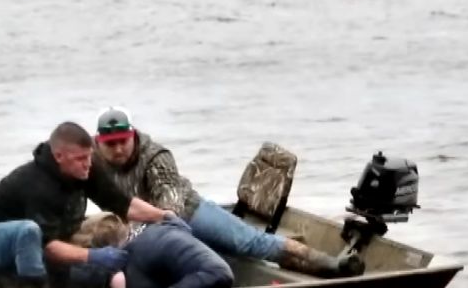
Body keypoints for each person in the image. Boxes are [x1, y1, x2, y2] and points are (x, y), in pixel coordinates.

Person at [91, 106, 364, 278]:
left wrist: (138, 235)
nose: (117, 149)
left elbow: (170, 208)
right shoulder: (89, 161)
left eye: (122, 142)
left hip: (188, 213)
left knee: (250, 243)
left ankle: (330, 264)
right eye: (110, 144)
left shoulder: (156, 157)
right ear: (98, 142)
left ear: (133, 135)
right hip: (144, 230)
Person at [0, 121, 175, 288]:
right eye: (81, 159)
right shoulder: (37, 185)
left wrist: (164, 216)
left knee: (107, 229)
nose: (88, 164)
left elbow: (124, 205)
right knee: (29, 233)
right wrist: (95, 257)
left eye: (90, 157)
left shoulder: (86, 168)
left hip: (46, 239)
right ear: (59, 157)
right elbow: (48, 247)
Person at [72, 211, 234, 288]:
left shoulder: (131, 256)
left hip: (209, 276)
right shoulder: (163, 226)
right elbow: (175, 219)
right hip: (218, 274)